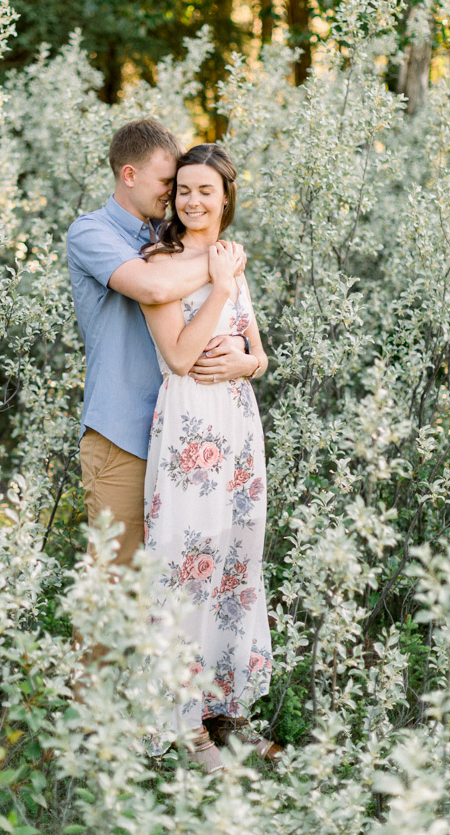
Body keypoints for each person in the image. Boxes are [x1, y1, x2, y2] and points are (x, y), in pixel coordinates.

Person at [140, 144, 278, 772]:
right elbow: (178, 355)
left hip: (239, 426)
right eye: (184, 191)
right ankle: (183, 722)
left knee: (233, 566)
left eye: (205, 191)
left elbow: (259, 352)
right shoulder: (159, 263)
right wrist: (218, 291)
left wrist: (250, 362)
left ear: (226, 197)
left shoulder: (231, 256)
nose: (193, 201)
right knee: (186, 565)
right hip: (192, 425)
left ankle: (227, 713)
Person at [66, 119, 256, 571]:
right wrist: (220, 267)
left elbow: (250, 345)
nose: (175, 196)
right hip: (124, 434)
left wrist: (248, 363)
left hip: (191, 434)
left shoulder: (172, 240)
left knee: (177, 588)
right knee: (117, 583)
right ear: (129, 175)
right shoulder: (92, 232)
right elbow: (152, 288)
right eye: (168, 183)